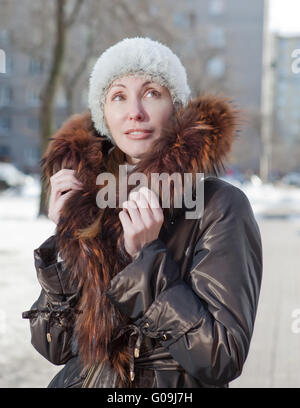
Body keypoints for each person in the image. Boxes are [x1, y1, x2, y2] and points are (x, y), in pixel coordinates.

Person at [22, 37, 263, 388]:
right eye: (118, 96)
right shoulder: (93, 198)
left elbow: (220, 357)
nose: (134, 111)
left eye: (151, 93)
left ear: (176, 105)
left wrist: (146, 260)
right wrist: (66, 239)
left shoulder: (219, 205)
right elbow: (54, 347)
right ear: (104, 114)